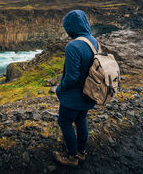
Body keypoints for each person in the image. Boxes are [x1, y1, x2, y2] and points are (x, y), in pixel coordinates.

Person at [54, 10, 97, 167]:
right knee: (81, 119)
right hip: (89, 92)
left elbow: (72, 77)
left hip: (74, 96)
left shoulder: (73, 46)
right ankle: (82, 152)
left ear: (70, 27)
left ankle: (72, 156)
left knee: (64, 122)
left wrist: (60, 89)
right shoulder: (93, 41)